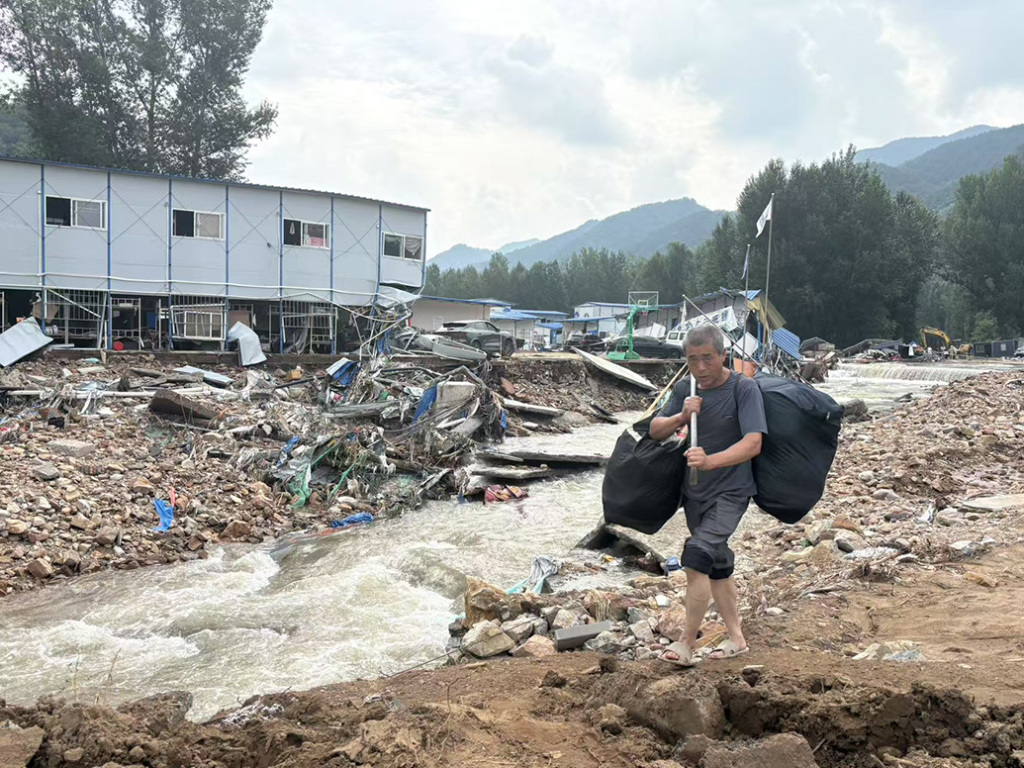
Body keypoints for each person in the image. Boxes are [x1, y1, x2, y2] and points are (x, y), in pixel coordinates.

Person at [648, 325, 767, 667]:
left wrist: (711, 460)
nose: (700, 367)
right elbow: (654, 429)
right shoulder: (686, 388)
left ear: (722, 356)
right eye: (692, 360)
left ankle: (685, 643)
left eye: (707, 359)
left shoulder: (743, 389)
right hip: (695, 493)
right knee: (718, 564)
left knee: (697, 555)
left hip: (732, 491)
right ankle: (737, 639)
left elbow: (753, 443)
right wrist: (682, 415)